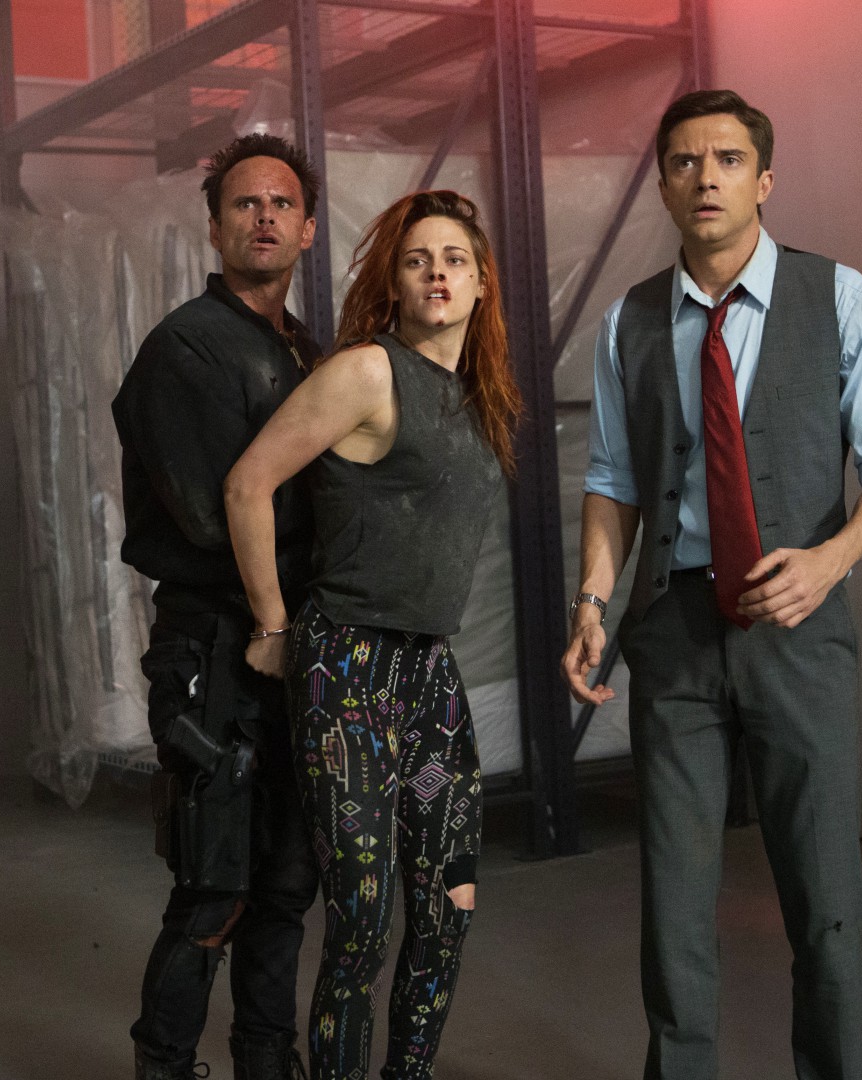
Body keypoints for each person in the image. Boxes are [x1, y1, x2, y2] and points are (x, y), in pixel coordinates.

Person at [560, 90, 862, 1080]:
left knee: (824, 899)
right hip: (674, 633)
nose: (705, 177)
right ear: (664, 185)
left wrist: (829, 560)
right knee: (674, 902)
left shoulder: (835, 295)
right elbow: (612, 479)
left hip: (798, 631)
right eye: (684, 161)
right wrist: (591, 601)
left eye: (727, 159)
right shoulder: (629, 321)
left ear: (764, 180)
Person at [223, 190, 520, 1080]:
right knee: (360, 914)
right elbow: (247, 483)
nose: (437, 274)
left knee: (446, 906)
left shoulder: (476, 396)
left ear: (481, 283)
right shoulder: (367, 372)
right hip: (346, 670)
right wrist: (272, 623)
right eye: (417, 259)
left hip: (428, 673)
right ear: (392, 281)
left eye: (455, 260)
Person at [113, 133, 323, 1080]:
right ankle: (162, 1066)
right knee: (214, 885)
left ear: (308, 229)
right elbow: (209, 514)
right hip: (211, 647)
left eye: (282, 203)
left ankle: (265, 1064)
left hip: (291, 644)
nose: (263, 217)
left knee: (285, 883)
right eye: (244, 203)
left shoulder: (304, 350)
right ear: (214, 227)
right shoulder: (186, 347)